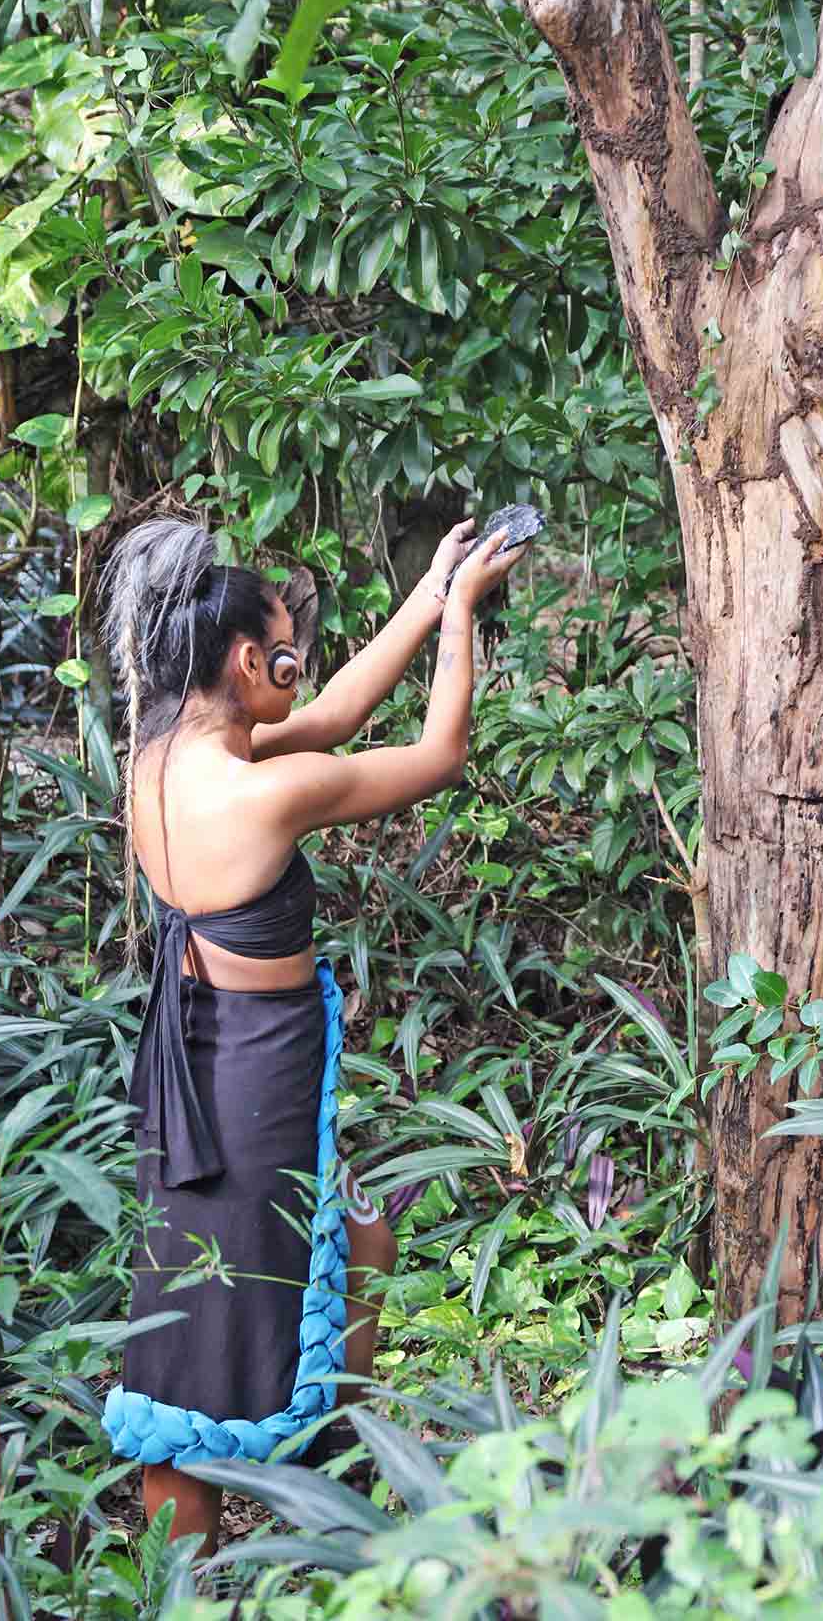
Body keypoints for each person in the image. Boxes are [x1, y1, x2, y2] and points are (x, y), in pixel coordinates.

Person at [96, 511, 529, 1553]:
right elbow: (435, 755)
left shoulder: (160, 758)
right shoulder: (263, 796)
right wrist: (467, 616)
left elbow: (329, 713)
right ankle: (289, 1517)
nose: (299, 669)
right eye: (287, 652)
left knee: (313, 1255)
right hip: (249, 1075)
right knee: (235, 1304)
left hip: (204, 1058)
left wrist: (429, 594)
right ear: (246, 660)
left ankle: (309, 1492)